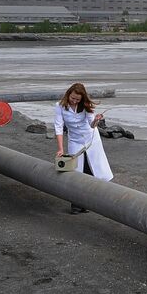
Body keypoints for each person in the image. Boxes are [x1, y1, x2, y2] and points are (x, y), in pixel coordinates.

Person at [54, 82, 113, 213]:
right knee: (75, 170)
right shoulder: (60, 106)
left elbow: (92, 125)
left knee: (93, 169)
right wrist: (60, 148)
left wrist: (97, 120)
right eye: (72, 98)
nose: (74, 101)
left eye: (77, 99)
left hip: (91, 139)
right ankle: (75, 204)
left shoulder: (86, 106)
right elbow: (58, 127)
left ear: (82, 99)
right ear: (68, 94)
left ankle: (88, 202)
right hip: (75, 140)